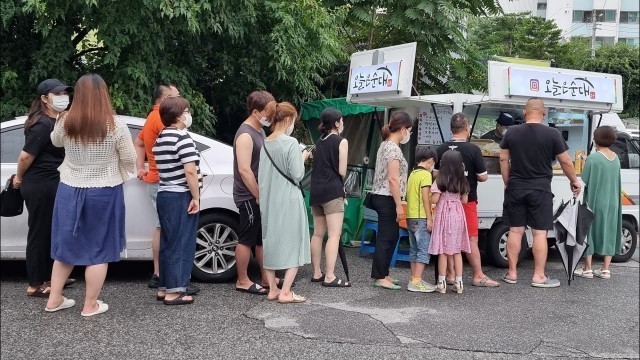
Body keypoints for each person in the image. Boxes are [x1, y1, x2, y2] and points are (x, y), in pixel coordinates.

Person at [45, 74, 136, 316]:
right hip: (104, 190)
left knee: (67, 244)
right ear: (104, 94)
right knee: (98, 248)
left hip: (69, 187)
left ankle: (54, 299)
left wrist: (59, 118)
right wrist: (121, 169)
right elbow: (129, 159)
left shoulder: (65, 121)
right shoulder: (116, 125)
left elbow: (55, 142)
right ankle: (90, 305)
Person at [500, 97, 581, 288]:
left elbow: (503, 159)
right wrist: (574, 181)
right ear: (544, 112)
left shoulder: (511, 132)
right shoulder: (552, 134)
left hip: (516, 187)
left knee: (515, 230)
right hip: (541, 189)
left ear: (524, 112)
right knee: (539, 234)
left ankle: (511, 273)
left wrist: (507, 182)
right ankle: (538, 276)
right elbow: (566, 161)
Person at [12, 78, 75, 298]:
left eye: (64, 93)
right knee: (39, 233)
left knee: (51, 231)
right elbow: (26, 155)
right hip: (40, 184)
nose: (63, 97)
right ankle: (35, 283)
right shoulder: (42, 124)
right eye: (57, 94)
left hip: (51, 182)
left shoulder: (55, 120)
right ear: (44, 99)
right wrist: (18, 178)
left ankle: (51, 278)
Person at [134, 83, 192, 292]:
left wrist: (142, 167)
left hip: (158, 178)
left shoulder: (151, 117)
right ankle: (163, 276)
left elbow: (139, 143)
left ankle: (163, 276)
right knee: (168, 231)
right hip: (167, 181)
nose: (180, 102)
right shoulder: (162, 119)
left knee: (163, 228)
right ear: (166, 98)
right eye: (176, 97)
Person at [435, 113, 498, 287]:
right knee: (471, 238)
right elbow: (483, 177)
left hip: (445, 202)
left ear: (451, 129)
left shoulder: (441, 149)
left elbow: (434, 174)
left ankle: (450, 274)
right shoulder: (473, 150)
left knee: (447, 238)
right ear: (467, 128)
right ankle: (477, 275)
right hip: (467, 200)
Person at [258, 101, 312, 303]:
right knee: (295, 242)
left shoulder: (265, 143)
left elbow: (262, 175)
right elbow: (297, 174)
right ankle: (286, 291)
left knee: (271, 241)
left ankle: (273, 288)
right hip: (289, 198)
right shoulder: (290, 143)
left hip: (269, 199)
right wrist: (303, 155)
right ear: (288, 119)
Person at [153, 96, 202, 305]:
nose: (188, 113)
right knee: (181, 243)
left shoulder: (161, 136)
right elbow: (189, 170)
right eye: (187, 110)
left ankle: (164, 287)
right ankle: (175, 291)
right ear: (179, 114)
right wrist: (196, 196)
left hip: (164, 193)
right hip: (180, 194)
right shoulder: (182, 138)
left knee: (168, 242)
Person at [233, 90, 276, 295]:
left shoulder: (259, 130)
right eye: (269, 111)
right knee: (246, 238)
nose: (271, 116)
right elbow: (244, 169)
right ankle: (242, 279)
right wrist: (258, 194)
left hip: (259, 194)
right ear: (256, 111)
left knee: (260, 238)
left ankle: (266, 278)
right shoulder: (245, 134)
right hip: (248, 195)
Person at [369, 111, 412, 290]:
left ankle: (384, 273)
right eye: (409, 129)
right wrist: (398, 205)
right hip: (387, 197)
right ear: (402, 129)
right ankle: (379, 276)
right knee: (386, 237)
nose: (409, 133)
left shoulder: (385, 145)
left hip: (381, 195)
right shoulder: (393, 149)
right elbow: (393, 179)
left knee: (391, 235)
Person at [309, 108, 350, 287]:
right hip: (332, 191)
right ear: (336, 123)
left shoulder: (319, 141)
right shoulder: (341, 141)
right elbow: (342, 171)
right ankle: (330, 276)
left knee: (318, 234)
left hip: (316, 191)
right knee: (334, 234)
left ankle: (317, 273)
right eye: (341, 120)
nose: (342, 123)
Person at [574, 126, 622, 280]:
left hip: (595, 200)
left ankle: (587, 269)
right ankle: (605, 269)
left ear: (596, 139)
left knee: (589, 232)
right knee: (609, 231)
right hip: (612, 202)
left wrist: (585, 162)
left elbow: (586, 179)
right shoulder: (616, 158)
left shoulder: (593, 158)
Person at [429, 150, 471, 294]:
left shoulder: (440, 180)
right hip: (458, 215)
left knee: (443, 250)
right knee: (456, 250)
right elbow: (465, 201)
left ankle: (441, 282)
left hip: (444, 214)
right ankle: (459, 282)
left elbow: (434, 199)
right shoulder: (463, 180)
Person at [405, 148, 437, 293]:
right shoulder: (425, 174)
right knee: (424, 249)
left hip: (410, 216)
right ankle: (416, 281)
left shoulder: (412, 173)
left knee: (414, 249)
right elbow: (425, 197)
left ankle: (414, 278)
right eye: (433, 163)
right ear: (430, 160)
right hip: (421, 217)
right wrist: (429, 218)